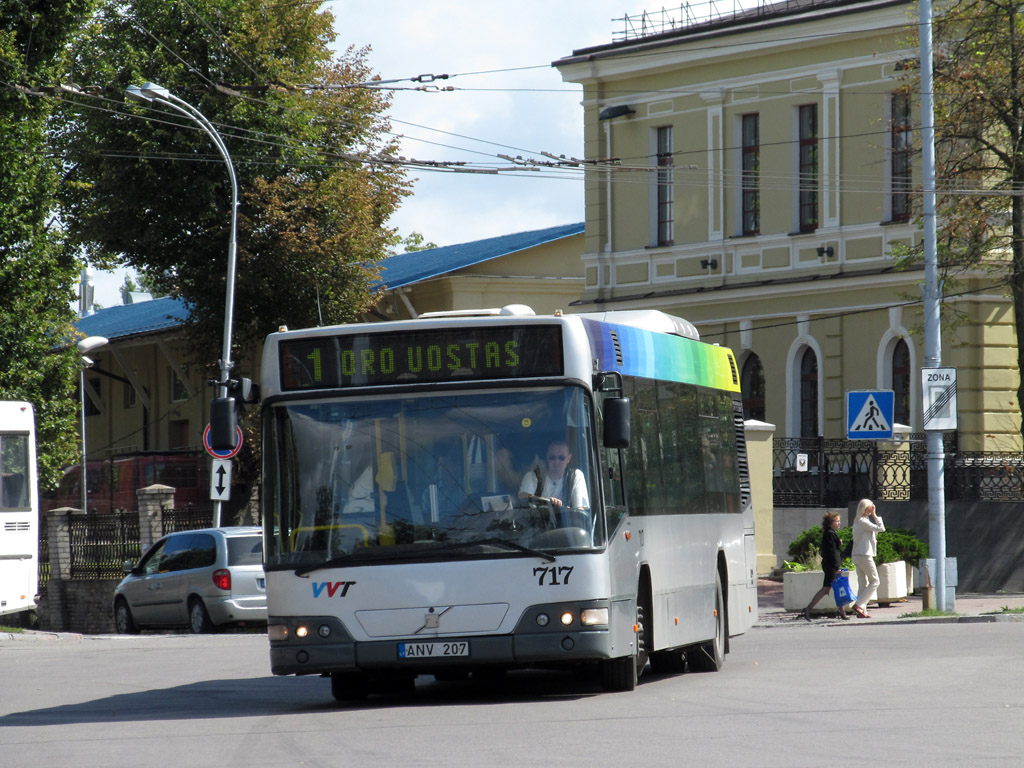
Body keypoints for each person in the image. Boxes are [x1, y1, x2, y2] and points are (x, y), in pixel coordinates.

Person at [802, 511, 853, 621]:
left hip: (831, 564)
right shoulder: (830, 534)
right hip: (831, 565)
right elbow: (832, 552)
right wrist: (837, 566)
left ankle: (841, 610)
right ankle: (808, 609)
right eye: (837, 521)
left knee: (837, 588)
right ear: (830, 522)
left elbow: (833, 549)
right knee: (826, 589)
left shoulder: (831, 533)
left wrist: (838, 543)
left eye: (839, 521)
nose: (839, 523)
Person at [518, 439, 589, 514]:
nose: (556, 461)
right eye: (552, 457)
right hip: (538, 523)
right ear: (547, 457)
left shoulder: (575, 476)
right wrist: (547, 501)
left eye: (561, 458)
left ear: (568, 458)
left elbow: (580, 510)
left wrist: (570, 512)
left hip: (567, 524)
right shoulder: (533, 475)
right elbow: (523, 496)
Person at [851, 498, 885, 618]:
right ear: (866, 509)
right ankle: (859, 605)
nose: (872, 509)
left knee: (863, 583)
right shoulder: (863, 522)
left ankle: (862, 610)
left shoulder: (859, 521)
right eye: (870, 507)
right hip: (864, 555)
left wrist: (872, 515)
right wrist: (875, 515)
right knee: (875, 581)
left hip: (857, 555)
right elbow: (881, 528)